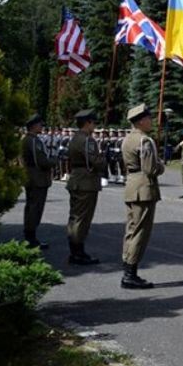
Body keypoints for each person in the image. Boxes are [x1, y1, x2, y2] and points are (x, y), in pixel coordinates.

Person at [120, 103, 165, 289]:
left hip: (132, 185)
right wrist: (161, 166)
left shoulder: (127, 139)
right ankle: (130, 274)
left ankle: (128, 269)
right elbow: (151, 168)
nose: (151, 121)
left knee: (131, 229)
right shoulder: (144, 140)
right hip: (144, 188)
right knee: (140, 231)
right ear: (141, 121)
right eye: (148, 118)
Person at [66, 109, 107, 265]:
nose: (94, 126)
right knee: (82, 219)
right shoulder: (87, 140)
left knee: (74, 217)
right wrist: (103, 159)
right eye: (93, 122)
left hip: (77, 180)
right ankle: (78, 252)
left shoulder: (75, 138)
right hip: (86, 182)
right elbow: (93, 162)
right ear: (88, 123)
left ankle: (75, 250)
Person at [20, 114, 54, 250]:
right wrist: (53, 161)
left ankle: (30, 236)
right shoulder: (32, 141)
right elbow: (40, 161)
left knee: (32, 208)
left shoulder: (29, 140)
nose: (42, 126)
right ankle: (31, 238)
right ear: (33, 126)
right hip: (37, 178)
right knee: (35, 209)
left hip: (33, 178)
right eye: (40, 124)